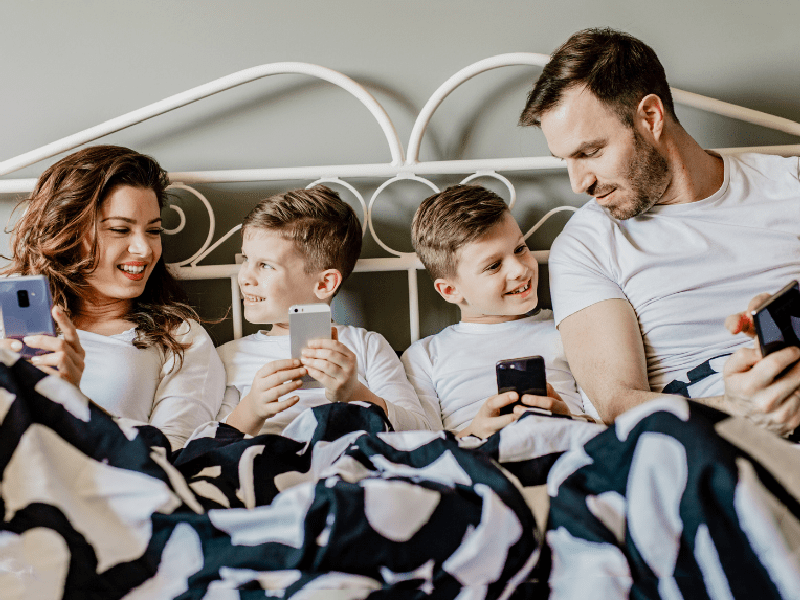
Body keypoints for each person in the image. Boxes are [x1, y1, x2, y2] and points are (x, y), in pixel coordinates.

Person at [518, 28, 800, 433]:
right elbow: (617, 401)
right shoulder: (586, 246)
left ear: (650, 117)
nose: (578, 182)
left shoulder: (790, 184)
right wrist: (739, 409)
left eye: (590, 152)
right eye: (565, 159)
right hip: (702, 432)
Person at [2, 145, 226, 450]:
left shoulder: (181, 338)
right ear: (67, 232)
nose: (145, 250)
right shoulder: (10, 319)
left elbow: (173, 457)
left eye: (153, 231)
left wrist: (76, 403)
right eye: (121, 229)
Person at [215, 185, 430, 436]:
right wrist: (251, 410)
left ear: (325, 284)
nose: (244, 277)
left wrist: (355, 393)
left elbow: (422, 431)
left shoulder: (367, 346)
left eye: (265, 265)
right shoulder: (228, 357)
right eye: (245, 260)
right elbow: (207, 445)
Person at [401, 184, 584, 439]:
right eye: (494, 266)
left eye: (520, 249)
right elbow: (423, 443)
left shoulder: (569, 327)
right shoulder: (425, 357)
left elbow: (605, 419)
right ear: (450, 290)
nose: (520, 270)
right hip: (475, 461)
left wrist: (572, 420)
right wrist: (472, 433)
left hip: (566, 447)